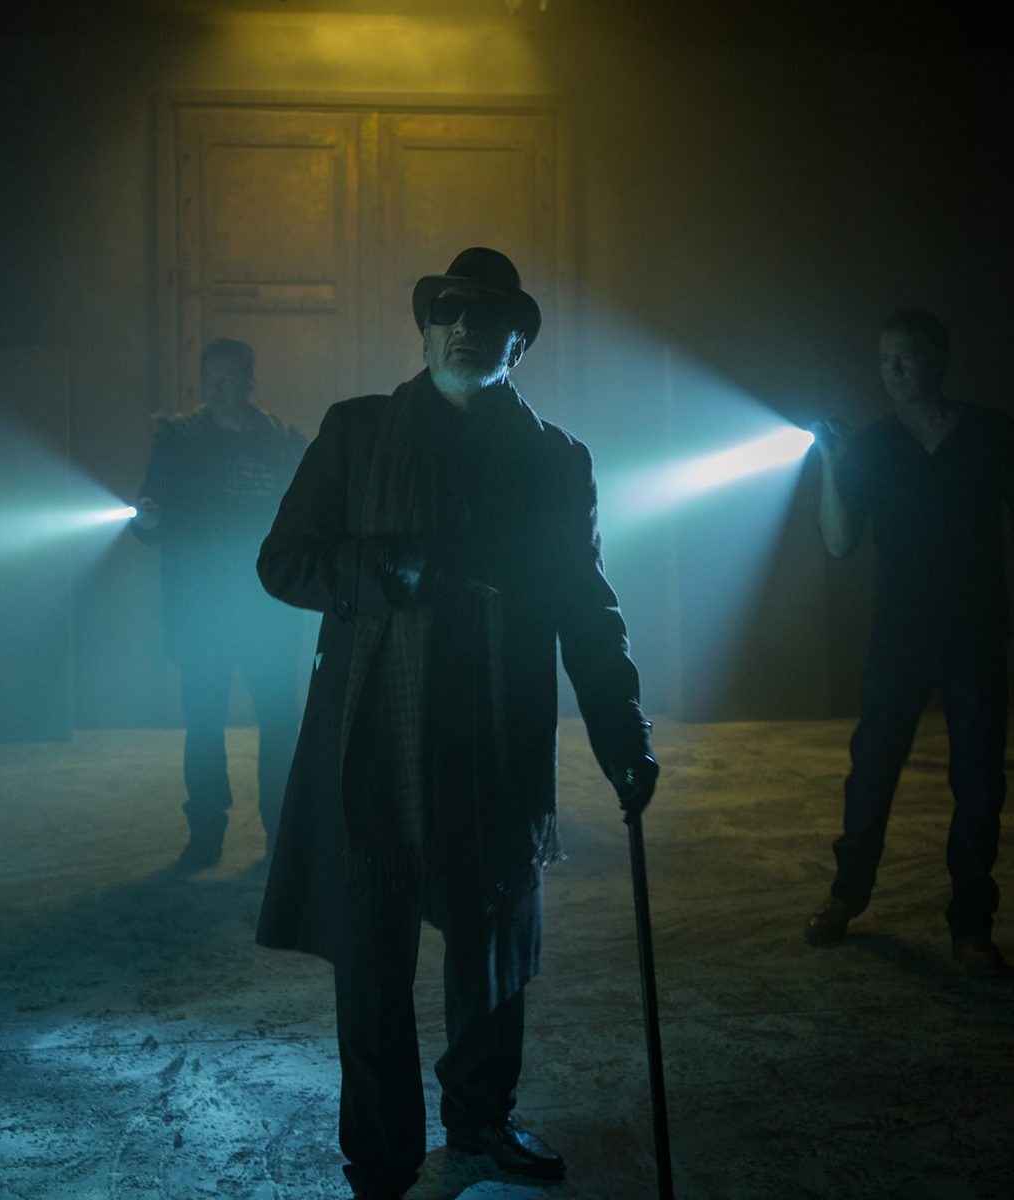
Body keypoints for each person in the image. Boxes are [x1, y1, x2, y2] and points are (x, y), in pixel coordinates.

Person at [254, 248, 658, 1199]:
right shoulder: (358, 433)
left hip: (493, 736)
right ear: (427, 329)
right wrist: (377, 568)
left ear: (519, 344)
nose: (465, 329)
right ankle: (382, 1159)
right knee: (373, 963)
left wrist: (624, 736)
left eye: (488, 318)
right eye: (448, 313)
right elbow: (283, 562)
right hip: (376, 739)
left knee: (492, 947)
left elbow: (585, 608)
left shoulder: (553, 459)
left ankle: (480, 1124)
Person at [806, 309, 1014, 974]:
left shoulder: (991, 433)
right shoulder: (872, 446)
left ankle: (972, 927)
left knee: (978, 780)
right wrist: (832, 463)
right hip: (898, 635)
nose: (892, 371)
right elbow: (839, 541)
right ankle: (846, 894)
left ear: (939, 360)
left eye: (907, 358)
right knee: (871, 770)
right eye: (884, 359)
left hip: (975, 632)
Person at [130, 337, 308, 868]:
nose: (219, 389)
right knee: (205, 722)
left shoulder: (283, 443)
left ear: (249, 382)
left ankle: (280, 834)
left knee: (279, 722)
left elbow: (306, 516)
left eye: (229, 378)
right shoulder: (179, 441)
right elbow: (153, 513)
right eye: (211, 379)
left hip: (266, 607)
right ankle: (206, 832)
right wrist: (149, 521)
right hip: (204, 607)